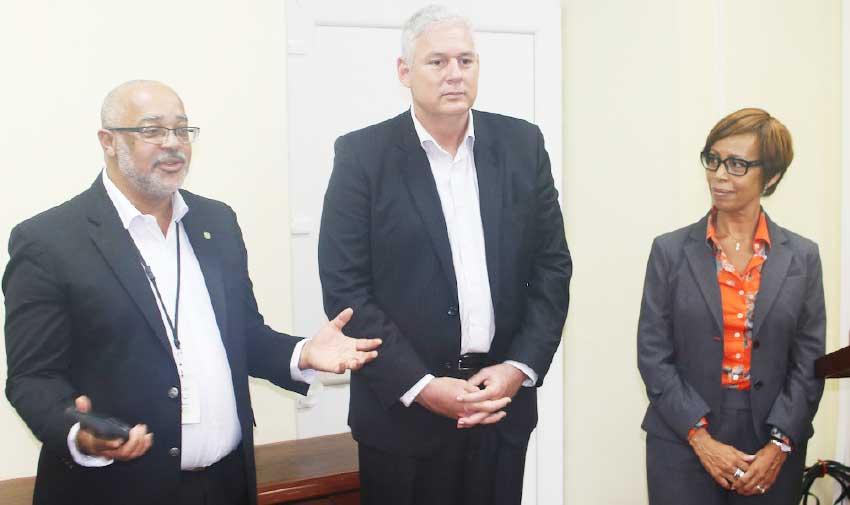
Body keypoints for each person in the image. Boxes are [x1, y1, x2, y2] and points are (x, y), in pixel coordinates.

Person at [3, 79, 381, 505]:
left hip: (224, 484)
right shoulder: (49, 240)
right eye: (152, 130)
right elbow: (32, 377)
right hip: (114, 491)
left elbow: (243, 334)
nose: (173, 144)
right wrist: (76, 430)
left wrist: (302, 353)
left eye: (182, 130)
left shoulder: (215, 222)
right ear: (108, 141)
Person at [317, 5, 571, 505]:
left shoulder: (522, 144)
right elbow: (346, 289)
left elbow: (552, 268)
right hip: (402, 417)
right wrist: (421, 384)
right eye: (437, 62)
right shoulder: (363, 157)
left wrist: (519, 367)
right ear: (404, 72)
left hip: (498, 407)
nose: (454, 74)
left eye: (466, 60)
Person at [637, 108, 825, 504]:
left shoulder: (803, 257)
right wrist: (701, 439)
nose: (719, 175)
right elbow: (654, 355)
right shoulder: (669, 252)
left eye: (737, 165)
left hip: (771, 442)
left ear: (771, 176)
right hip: (683, 436)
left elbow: (809, 362)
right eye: (713, 159)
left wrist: (780, 444)